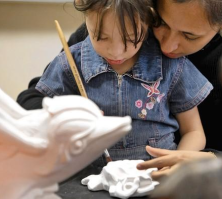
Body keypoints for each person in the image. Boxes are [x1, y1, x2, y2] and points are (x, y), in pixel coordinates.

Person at [17, 0, 222, 178]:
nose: (167, 46)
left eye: (189, 36)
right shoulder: (121, 22)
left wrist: (202, 160)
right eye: (160, 23)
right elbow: (36, 96)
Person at [33, 0, 212, 163]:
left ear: (149, 20)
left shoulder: (172, 66)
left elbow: (194, 132)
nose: (116, 52)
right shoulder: (68, 65)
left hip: (158, 176)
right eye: (101, 37)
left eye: (130, 39)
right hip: (91, 177)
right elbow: (40, 123)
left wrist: (176, 163)